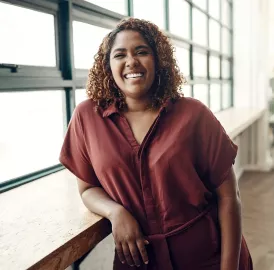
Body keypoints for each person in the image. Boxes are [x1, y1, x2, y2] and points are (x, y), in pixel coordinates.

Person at [59, 18, 252, 270]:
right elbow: (87, 189)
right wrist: (115, 212)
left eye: (141, 51)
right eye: (120, 55)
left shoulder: (194, 114)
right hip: (137, 261)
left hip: (206, 256)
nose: (131, 61)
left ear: (158, 60)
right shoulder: (87, 117)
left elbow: (229, 197)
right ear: (108, 66)